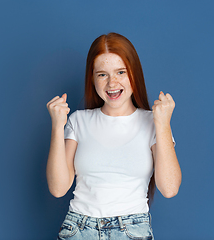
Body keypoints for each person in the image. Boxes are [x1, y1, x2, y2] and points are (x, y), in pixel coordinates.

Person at [46, 32, 182, 240]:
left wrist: (163, 124)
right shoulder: (78, 121)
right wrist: (57, 126)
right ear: (92, 78)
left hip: (132, 229)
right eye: (102, 74)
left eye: (120, 72)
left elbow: (169, 188)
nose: (112, 83)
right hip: (79, 229)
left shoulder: (153, 122)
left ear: (134, 74)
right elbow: (58, 188)